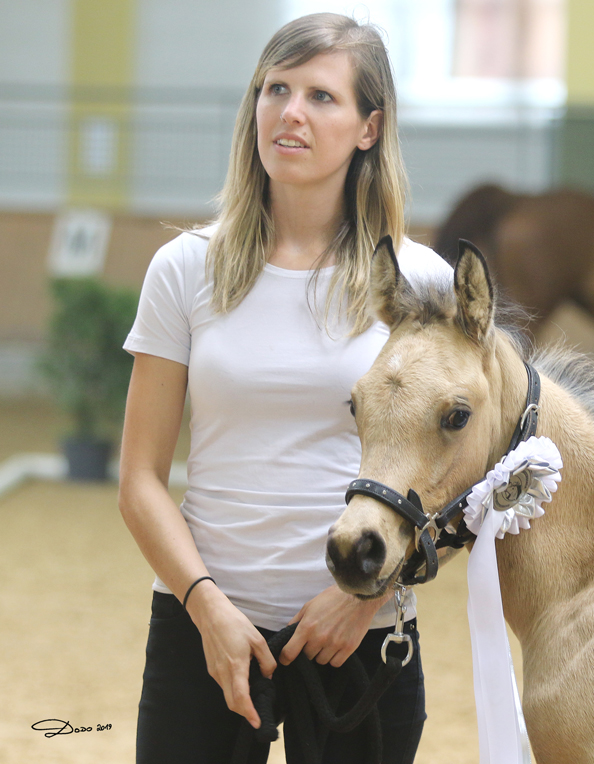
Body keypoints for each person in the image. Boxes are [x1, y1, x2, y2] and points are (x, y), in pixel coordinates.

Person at [118, 14, 452, 763]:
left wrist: (364, 598)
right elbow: (139, 478)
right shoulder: (184, 269)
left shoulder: (422, 284)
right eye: (276, 89)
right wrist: (207, 609)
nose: (290, 113)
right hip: (203, 628)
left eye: (321, 97)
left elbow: (468, 483)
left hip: (357, 634)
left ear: (370, 127)